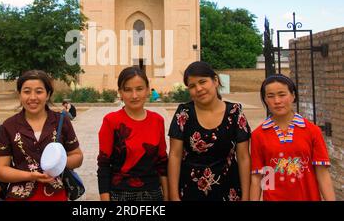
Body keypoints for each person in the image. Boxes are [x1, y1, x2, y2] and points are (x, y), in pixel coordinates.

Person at [168, 61, 251, 201]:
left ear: (215, 81)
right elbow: (174, 155)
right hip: (190, 191)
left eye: (203, 82)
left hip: (228, 190)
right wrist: (174, 196)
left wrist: (246, 197)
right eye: (192, 86)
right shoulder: (183, 113)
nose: (199, 89)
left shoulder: (235, 112)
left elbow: (243, 157)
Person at [0, 70, 83, 201]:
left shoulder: (61, 121)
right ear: (19, 94)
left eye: (39, 91)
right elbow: (1, 171)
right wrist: (31, 176)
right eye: (26, 91)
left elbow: (77, 157)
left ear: (48, 94)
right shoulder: (9, 125)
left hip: (55, 196)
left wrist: (57, 164)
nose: (32, 97)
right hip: (19, 197)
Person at [250, 74, 335, 201]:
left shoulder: (312, 131)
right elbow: (257, 178)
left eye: (282, 94)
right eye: (270, 96)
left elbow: (322, 174)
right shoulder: (258, 135)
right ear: (265, 100)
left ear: (293, 96)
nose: (277, 101)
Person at [97, 67, 168, 201]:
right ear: (120, 93)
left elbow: (162, 162)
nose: (134, 95)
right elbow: (104, 165)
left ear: (147, 89)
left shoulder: (157, 120)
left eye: (139, 89)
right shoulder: (111, 121)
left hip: (153, 194)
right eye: (128, 90)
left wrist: (167, 196)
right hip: (120, 194)